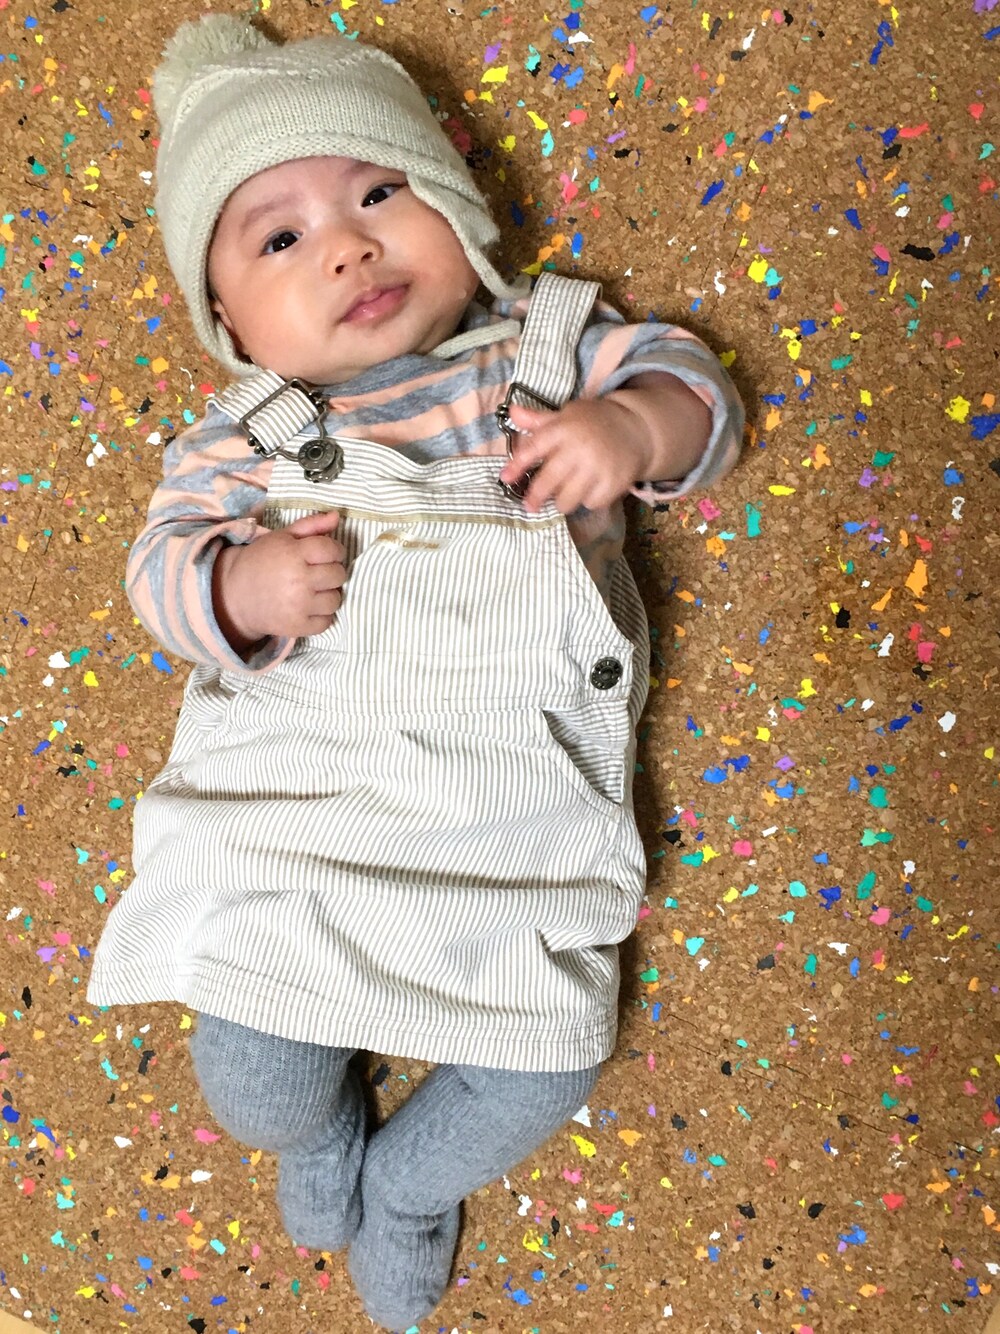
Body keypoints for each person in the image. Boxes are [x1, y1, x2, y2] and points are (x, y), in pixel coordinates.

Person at [87, 13, 744, 1331]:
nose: (346, 245)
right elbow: (157, 574)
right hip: (298, 835)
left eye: (381, 194)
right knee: (250, 1086)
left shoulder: (549, 354)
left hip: (515, 835)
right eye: (279, 240)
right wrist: (238, 589)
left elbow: (697, 389)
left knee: (549, 1064)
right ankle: (320, 1133)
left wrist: (632, 427)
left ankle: (407, 1184)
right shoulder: (242, 440)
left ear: (459, 209)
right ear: (231, 324)